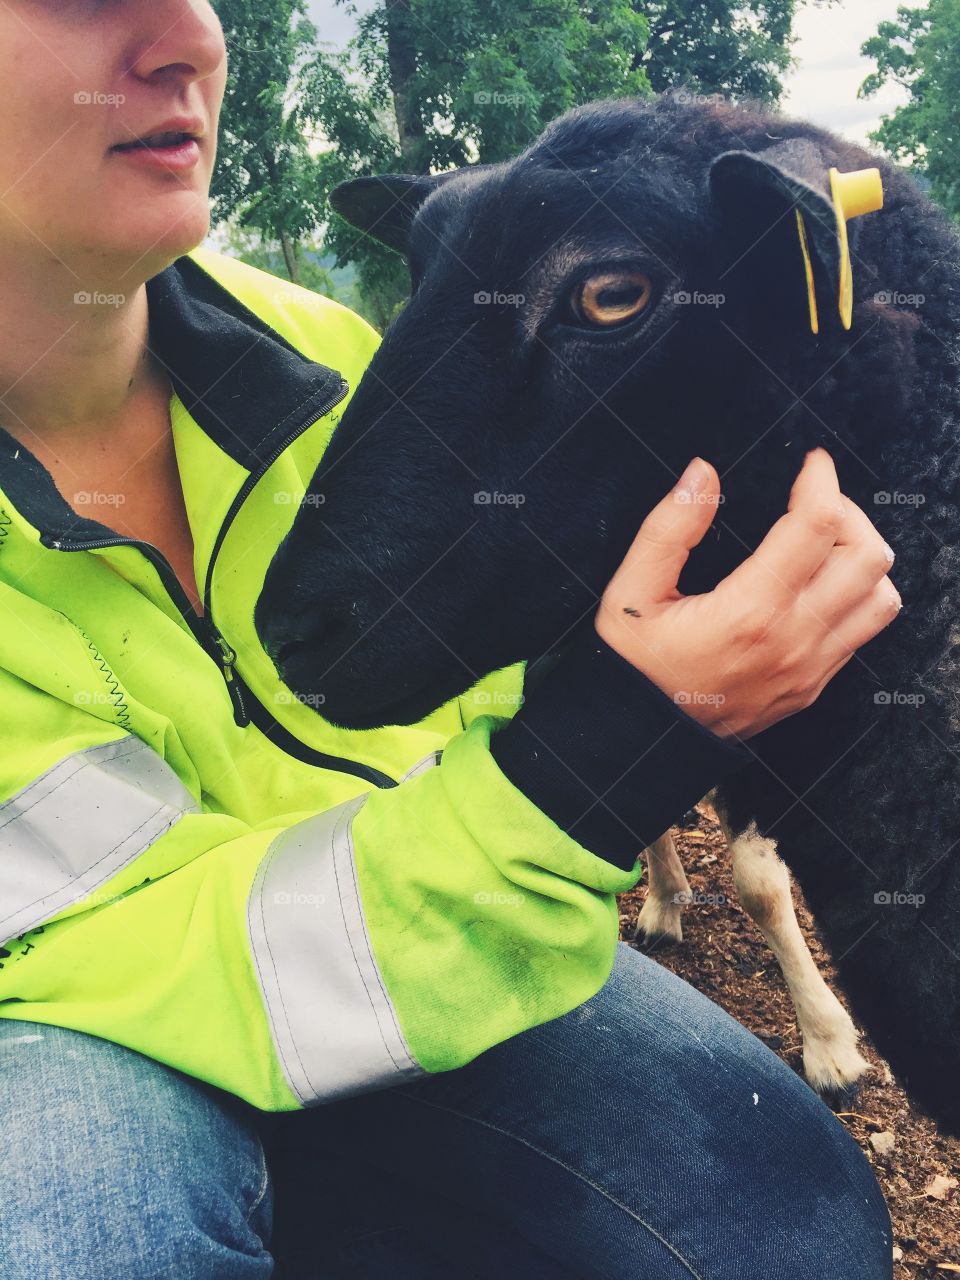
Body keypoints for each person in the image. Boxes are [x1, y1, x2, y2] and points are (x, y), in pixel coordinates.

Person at [0, 3, 899, 1277]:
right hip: (61, 1025)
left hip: (417, 924)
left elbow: (479, 685)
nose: (187, 38)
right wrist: (603, 752)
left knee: (780, 1216)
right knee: (74, 1244)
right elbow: (71, 943)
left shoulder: (319, 355)